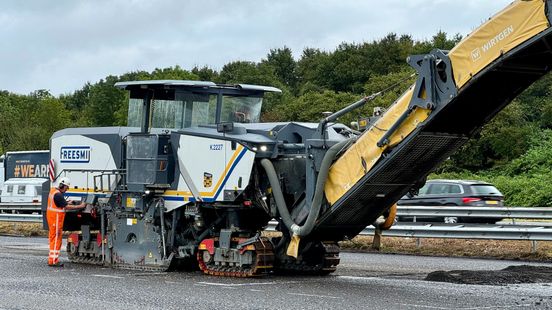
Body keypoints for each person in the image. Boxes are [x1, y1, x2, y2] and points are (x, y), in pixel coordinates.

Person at [47, 177, 86, 267]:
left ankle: (51, 259)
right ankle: (53, 261)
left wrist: (67, 201)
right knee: (56, 240)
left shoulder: (53, 191)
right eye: (66, 188)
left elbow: (60, 203)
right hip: (56, 220)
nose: (67, 189)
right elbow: (66, 207)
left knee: (53, 240)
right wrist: (80, 206)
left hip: (52, 219)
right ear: (62, 186)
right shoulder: (58, 195)